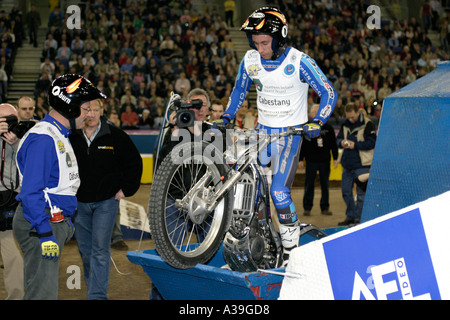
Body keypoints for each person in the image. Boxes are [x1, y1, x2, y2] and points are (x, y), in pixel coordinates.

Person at [219, 7, 337, 264]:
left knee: (279, 192)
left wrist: (318, 120)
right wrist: (227, 116)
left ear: (279, 37)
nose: (259, 49)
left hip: (289, 136)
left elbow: (329, 92)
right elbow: (240, 89)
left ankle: (290, 249)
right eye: (255, 42)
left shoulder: (299, 61)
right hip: (261, 134)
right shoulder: (250, 60)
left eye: (264, 42)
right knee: (244, 184)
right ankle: (256, 234)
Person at [13, 74, 105, 300]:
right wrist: (44, 232)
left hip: (48, 220)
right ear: (70, 107)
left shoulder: (57, 134)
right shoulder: (44, 138)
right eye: (86, 108)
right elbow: (31, 192)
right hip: (41, 222)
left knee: (42, 289)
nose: (90, 114)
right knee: (42, 294)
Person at [69, 98, 142, 300]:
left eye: (95, 109)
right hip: (79, 202)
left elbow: (134, 163)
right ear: (80, 112)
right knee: (85, 250)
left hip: (106, 203)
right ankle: (94, 288)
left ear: (102, 111)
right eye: (87, 110)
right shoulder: (71, 136)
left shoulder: (116, 135)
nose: (91, 114)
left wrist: (126, 190)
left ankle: (97, 296)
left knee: (100, 249)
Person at [336, 103, 376, 226]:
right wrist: (342, 142)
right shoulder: (345, 124)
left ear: (358, 112)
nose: (350, 119)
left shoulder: (368, 124)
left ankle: (359, 218)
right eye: (348, 117)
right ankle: (351, 216)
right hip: (347, 165)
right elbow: (337, 140)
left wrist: (355, 145)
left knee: (361, 194)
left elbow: (372, 143)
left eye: (352, 117)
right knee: (346, 192)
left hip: (362, 165)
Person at [0, 103, 24, 300]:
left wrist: (16, 143)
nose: (6, 124)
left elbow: (29, 164)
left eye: (11, 120)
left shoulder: (25, 138)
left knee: (13, 256)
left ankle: (16, 297)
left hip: (11, 202)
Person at [299, 104, 338, 216]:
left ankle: (325, 207)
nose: (317, 114)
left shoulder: (328, 128)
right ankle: (307, 207)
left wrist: (335, 158)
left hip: (325, 161)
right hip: (311, 161)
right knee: (309, 185)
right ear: (311, 114)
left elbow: (333, 144)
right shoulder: (307, 127)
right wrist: (301, 159)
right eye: (315, 112)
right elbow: (303, 145)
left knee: (325, 185)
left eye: (319, 112)